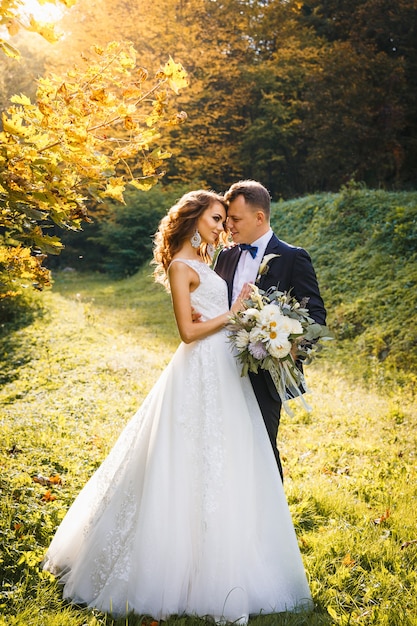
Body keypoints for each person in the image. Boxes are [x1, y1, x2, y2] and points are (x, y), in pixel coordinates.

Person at [43, 190, 313, 623]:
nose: (222, 227)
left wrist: (258, 323)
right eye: (215, 218)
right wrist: (237, 311)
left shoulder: (211, 261)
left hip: (228, 370)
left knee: (229, 457)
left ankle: (231, 546)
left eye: (226, 219)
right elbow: (188, 332)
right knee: (184, 456)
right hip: (197, 368)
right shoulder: (181, 266)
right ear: (192, 219)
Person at [215, 180, 326, 481]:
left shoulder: (293, 257)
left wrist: (286, 349)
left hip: (265, 375)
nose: (229, 227)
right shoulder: (225, 255)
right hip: (218, 369)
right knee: (221, 447)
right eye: (227, 220)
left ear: (259, 217)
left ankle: (271, 524)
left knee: (262, 449)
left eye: (235, 219)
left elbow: (316, 317)